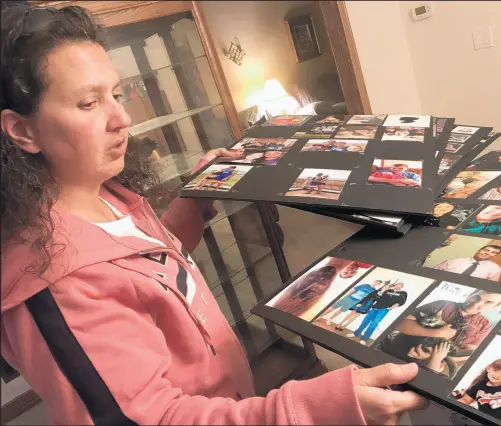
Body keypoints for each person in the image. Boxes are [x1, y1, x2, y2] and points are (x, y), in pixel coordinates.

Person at [0, 4, 428, 424]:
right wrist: (320, 406)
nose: (122, 118)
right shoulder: (54, 279)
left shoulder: (107, 195)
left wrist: (195, 198)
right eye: (88, 104)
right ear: (22, 130)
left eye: (115, 94)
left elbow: (146, 270)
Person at [385, 290, 501, 374]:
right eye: (476, 297)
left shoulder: (485, 325)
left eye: (489, 302)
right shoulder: (442, 305)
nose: (477, 303)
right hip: (394, 354)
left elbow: (468, 352)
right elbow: (400, 324)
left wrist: (435, 357)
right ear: (471, 293)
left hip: (427, 369)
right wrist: (438, 333)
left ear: (496, 306)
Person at [434, 245, 501, 281]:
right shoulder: (455, 261)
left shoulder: (495, 269)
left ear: (495, 255)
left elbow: (488, 287)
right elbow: (434, 272)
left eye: (493, 252)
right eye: (486, 250)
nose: (487, 253)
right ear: (479, 250)